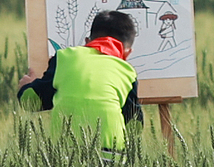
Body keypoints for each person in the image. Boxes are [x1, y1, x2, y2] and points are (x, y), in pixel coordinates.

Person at [17, 9, 142, 159]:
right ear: (127, 53)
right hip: (111, 153)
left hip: (66, 153)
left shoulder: (64, 57)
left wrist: (27, 86)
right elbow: (135, 126)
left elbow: (31, 102)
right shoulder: (127, 72)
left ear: (87, 42)